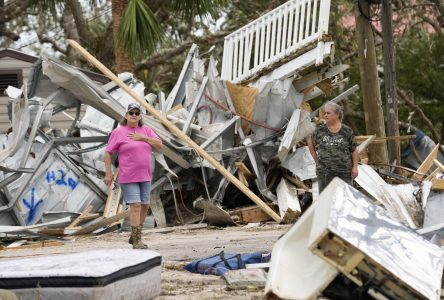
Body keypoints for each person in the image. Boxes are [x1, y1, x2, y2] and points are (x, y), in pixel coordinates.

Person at [104, 103, 162, 249]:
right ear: (126, 115)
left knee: (144, 205)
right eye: (131, 113)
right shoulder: (118, 132)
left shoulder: (146, 130)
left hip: (145, 175)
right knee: (135, 205)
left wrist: (143, 138)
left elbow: (160, 145)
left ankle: (135, 236)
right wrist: (108, 173)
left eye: (137, 113)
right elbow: (108, 152)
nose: (134, 115)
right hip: (128, 175)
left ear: (140, 115)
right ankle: (137, 241)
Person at [307, 101, 358, 193]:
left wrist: (355, 167)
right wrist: (316, 159)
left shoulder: (347, 131)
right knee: (325, 200)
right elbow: (310, 142)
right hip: (325, 173)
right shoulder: (320, 130)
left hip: (344, 172)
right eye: (325, 113)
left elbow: (354, 150)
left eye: (328, 113)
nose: (325, 115)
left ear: (337, 114)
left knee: (346, 199)